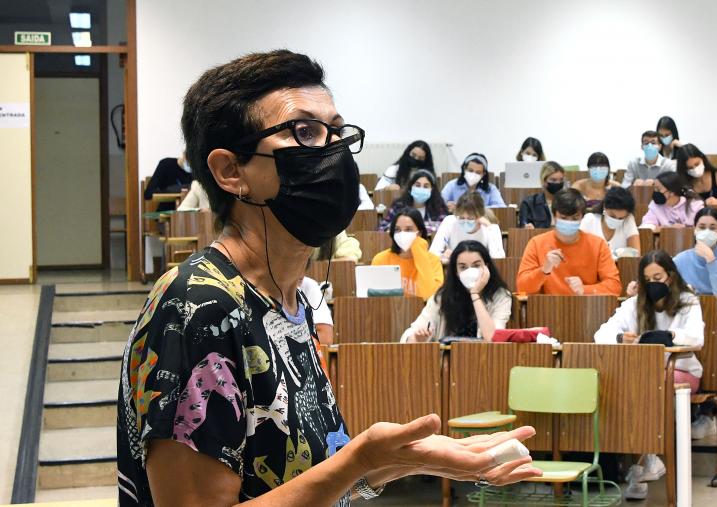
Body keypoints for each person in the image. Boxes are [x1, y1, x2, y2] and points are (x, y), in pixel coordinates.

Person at [117, 51, 541, 507]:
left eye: (336, 132)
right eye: (304, 132)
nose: (333, 151)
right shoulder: (198, 306)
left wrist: (401, 462)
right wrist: (357, 459)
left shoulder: (293, 299)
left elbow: (298, 478)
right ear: (231, 171)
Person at [594, 249, 703, 500]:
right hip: (641, 373)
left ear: (671, 277)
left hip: (681, 371)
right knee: (627, 386)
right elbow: (601, 334)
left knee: (649, 386)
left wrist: (670, 337)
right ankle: (646, 459)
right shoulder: (634, 304)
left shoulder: (688, 302)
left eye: (658, 277)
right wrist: (621, 337)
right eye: (648, 279)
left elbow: (697, 338)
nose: (654, 284)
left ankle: (643, 462)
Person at [401, 241, 512, 342]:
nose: (469, 271)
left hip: (486, 359)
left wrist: (475, 294)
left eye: (476, 265)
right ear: (456, 272)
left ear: (486, 267)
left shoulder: (501, 296)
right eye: (463, 267)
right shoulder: (442, 297)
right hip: (448, 360)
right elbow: (410, 334)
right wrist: (417, 338)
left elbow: (492, 338)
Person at [517, 189, 621, 295]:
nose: (569, 222)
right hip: (549, 308)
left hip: (587, 307)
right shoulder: (536, 243)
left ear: (582, 217)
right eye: (563, 218)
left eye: (575, 218)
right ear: (554, 216)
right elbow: (522, 288)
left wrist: (585, 290)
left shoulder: (598, 245)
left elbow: (615, 286)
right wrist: (544, 270)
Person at [674, 207, 717, 333]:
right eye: (701, 227)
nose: (706, 231)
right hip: (688, 315)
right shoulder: (680, 260)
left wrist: (711, 260)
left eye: (712, 228)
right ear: (694, 230)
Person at [373, 208, 444, 300]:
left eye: (408, 229)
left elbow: (429, 295)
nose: (402, 234)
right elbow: (374, 298)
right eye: (398, 230)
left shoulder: (433, 261)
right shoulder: (381, 259)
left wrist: (420, 252)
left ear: (419, 233)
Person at [430, 192, 505, 263]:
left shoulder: (490, 228)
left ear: (479, 216)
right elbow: (432, 253)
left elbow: (498, 259)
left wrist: (490, 228)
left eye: (470, 218)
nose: (465, 221)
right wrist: (443, 257)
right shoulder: (450, 222)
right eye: (461, 218)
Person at [380, 169, 448, 235]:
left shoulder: (438, 207)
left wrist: (411, 229)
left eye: (426, 186)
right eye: (418, 185)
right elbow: (382, 228)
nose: (421, 189)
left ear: (432, 190)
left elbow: (444, 229)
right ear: (410, 188)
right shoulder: (398, 206)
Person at [579, 187, 640, 259]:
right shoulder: (589, 220)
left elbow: (635, 254)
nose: (616, 220)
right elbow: (579, 251)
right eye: (612, 216)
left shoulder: (628, 220)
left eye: (621, 218)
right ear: (605, 207)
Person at [441, 153, 505, 210]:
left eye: (478, 172)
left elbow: (501, 207)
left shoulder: (490, 189)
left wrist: (477, 209)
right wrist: (447, 206)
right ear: (464, 169)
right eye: (470, 171)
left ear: (483, 174)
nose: (473, 174)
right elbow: (437, 203)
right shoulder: (452, 185)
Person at [518, 161, 566, 229]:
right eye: (553, 180)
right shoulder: (529, 203)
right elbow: (523, 226)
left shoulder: (569, 202)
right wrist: (527, 227)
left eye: (561, 180)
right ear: (543, 181)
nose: (558, 183)